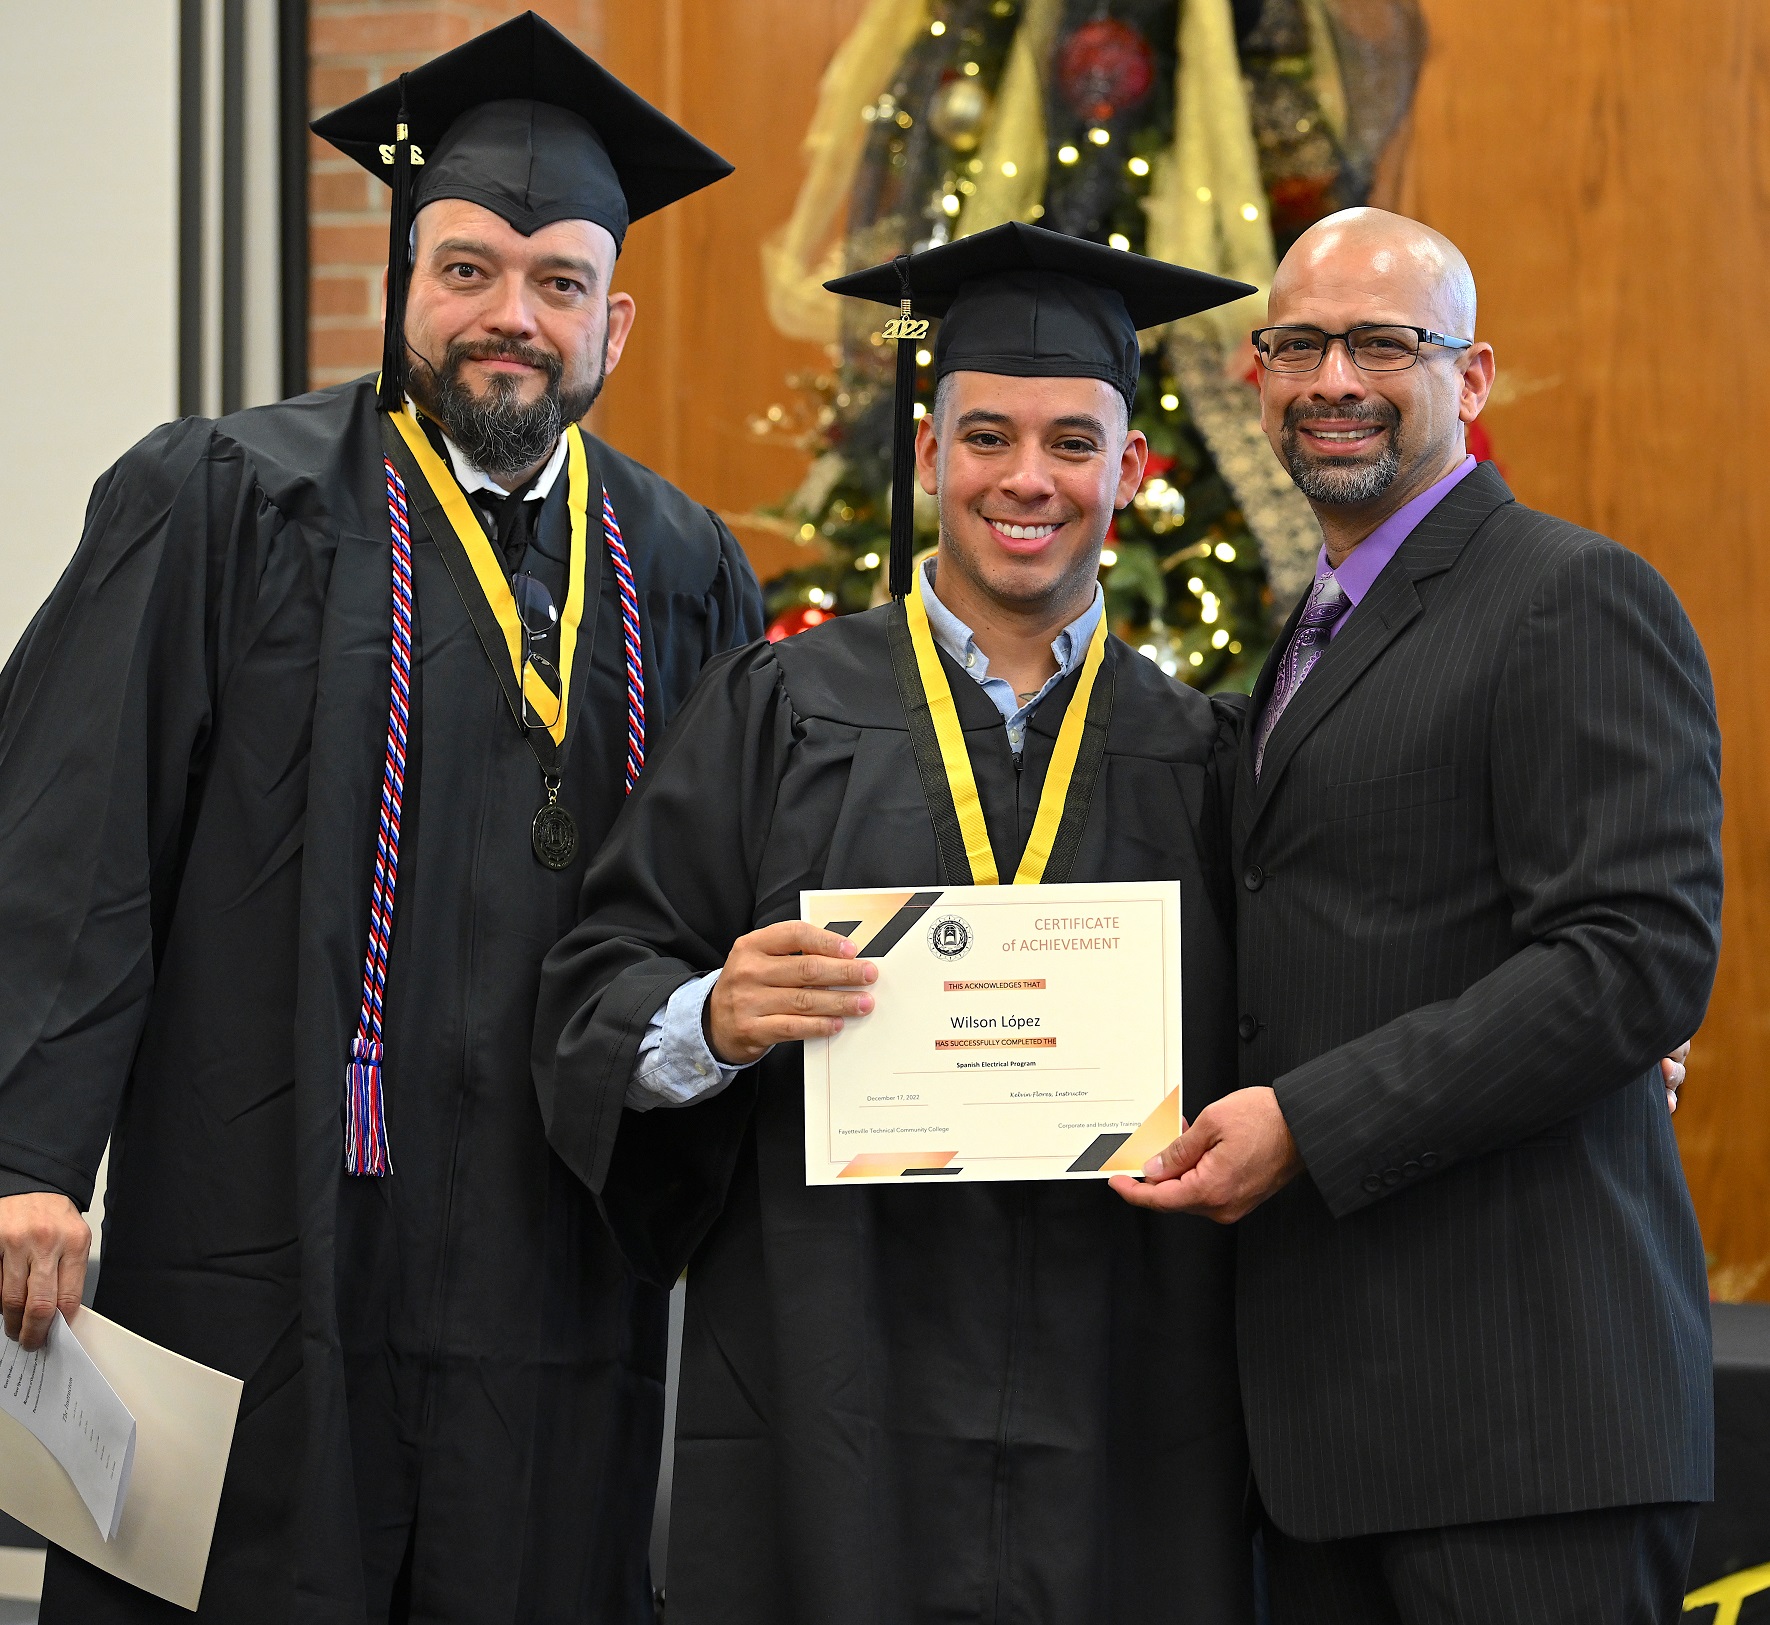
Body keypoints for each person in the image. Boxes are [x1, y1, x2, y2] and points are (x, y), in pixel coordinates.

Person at [0, 14, 761, 1621]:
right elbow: (72, 845)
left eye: (556, 282)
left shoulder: (683, 567)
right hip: (261, 1231)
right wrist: (26, 1159)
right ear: (401, 281)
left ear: (610, 319)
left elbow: (716, 900)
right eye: (469, 269)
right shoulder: (226, 497)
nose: (511, 317)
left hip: (553, 1265)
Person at [531, 223, 1260, 1623]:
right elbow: (595, 982)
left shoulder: (1203, 751)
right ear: (929, 456)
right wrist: (709, 1017)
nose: (1025, 479)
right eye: (985, 435)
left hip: (1124, 1381)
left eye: (1070, 441)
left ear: (1131, 469)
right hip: (832, 1378)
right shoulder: (782, 708)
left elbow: (1324, 986)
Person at [1116, 208, 1723, 1623]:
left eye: (1382, 341)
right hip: (1337, 1435)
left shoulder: (1569, 596)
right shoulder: (1311, 635)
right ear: (1256, 374)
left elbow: (1634, 957)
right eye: (1298, 343)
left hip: (1520, 1432)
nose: (1333, 376)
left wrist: (1304, 1122)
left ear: (1472, 376)